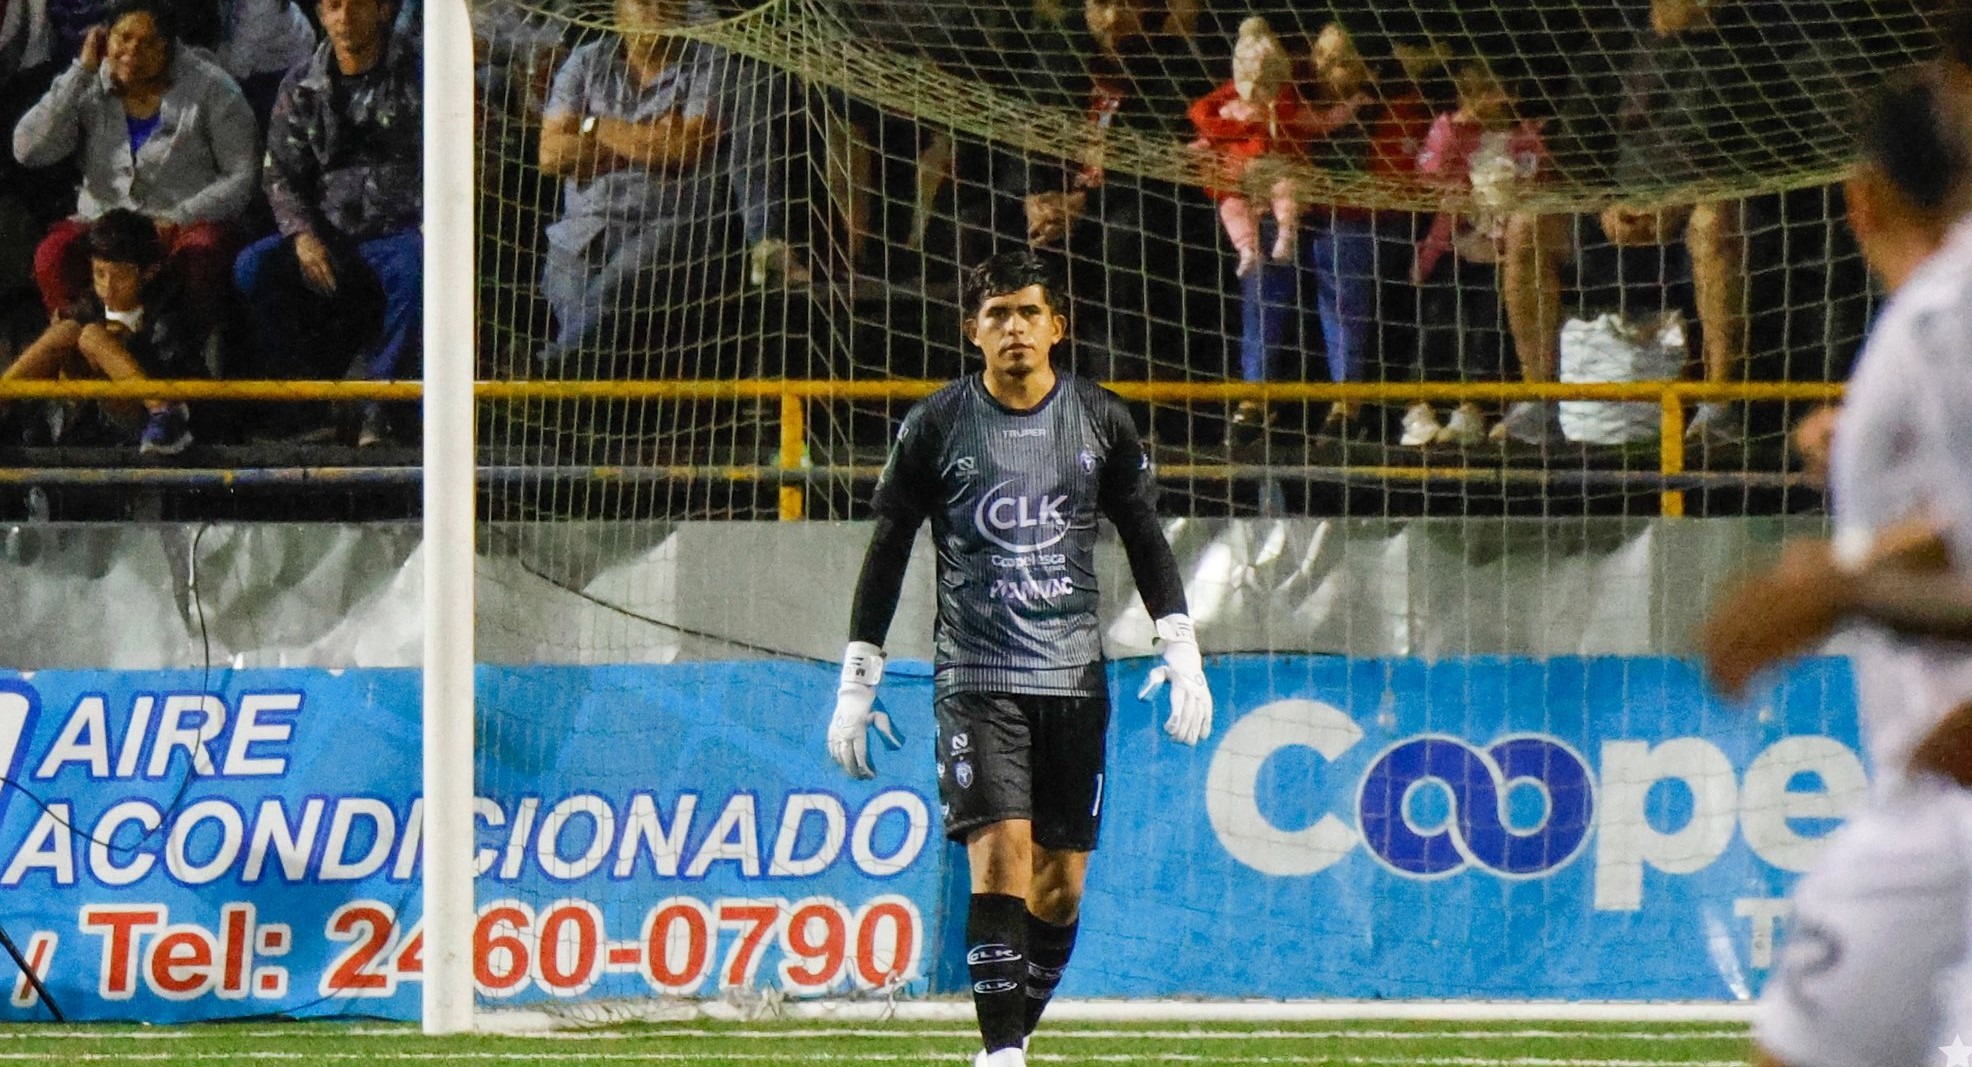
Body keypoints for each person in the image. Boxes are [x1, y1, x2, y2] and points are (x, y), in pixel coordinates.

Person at [825, 251, 1213, 1067]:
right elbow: (888, 548)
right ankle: (1002, 1055)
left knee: (1059, 888)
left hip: (1073, 677)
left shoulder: (1101, 419)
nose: (1014, 328)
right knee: (1000, 855)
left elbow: (1144, 535)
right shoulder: (936, 423)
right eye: (997, 314)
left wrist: (1181, 645)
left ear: (1056, 327)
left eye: (1029, 312)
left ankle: (1015, 1031)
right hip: (975, 676)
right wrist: (858, 678)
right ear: (972, 330)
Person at [1697, 67, 1972, 1067]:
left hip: (1944, 810)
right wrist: (1868, 539)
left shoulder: (1947, 312)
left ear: (1862, 197)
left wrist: (1839, 585)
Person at [533, 0, 796, 374]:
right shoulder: (586, 60)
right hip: (582, 230)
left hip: (668, 224)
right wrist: (646, 139)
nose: (655, 9)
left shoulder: (707, 61)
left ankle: (549, 375)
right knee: (583, 319)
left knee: (612, 292)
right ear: (617, 8)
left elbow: (685, 149)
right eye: (643, 1)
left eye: (667, 1)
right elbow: (550, 155)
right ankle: (566, 378)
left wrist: (593, 127)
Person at [231, 0, 418, 446]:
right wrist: (301, 235)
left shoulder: (421, 74)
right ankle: (303, 409)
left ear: (383, 10)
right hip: (327, 235)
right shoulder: (300, 84)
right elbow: (280, 174)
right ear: (319, 15)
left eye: (356, 6)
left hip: (401, 233)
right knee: (254, 267)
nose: (344, 18)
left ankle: (382, 409)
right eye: (333, 7)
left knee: (422, 267)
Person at [11, 0, 257, 335]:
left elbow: (242, 175)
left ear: (170, 46)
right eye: (123, 38)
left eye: (149, 42)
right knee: (53, 255)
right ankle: (77, 350)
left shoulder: (212, 88)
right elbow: (27, 150)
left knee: (202, 255)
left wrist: (180, 217)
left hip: (181, 223)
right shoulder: (88, 83)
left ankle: (189, 354)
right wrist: (80, 72)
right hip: (104, 223)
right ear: (105, 37)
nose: (132, 51)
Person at [1, 207, 200, 453]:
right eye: (100, 274)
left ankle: (164, 414)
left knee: (91, 336)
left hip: (139, 414)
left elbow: (171, 372)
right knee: (67, 330)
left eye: (121, 277)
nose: (108, 287)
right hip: (85, 414)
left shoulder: (167, 317)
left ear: (149, 273)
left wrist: (116, 343)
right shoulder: (85, 309)